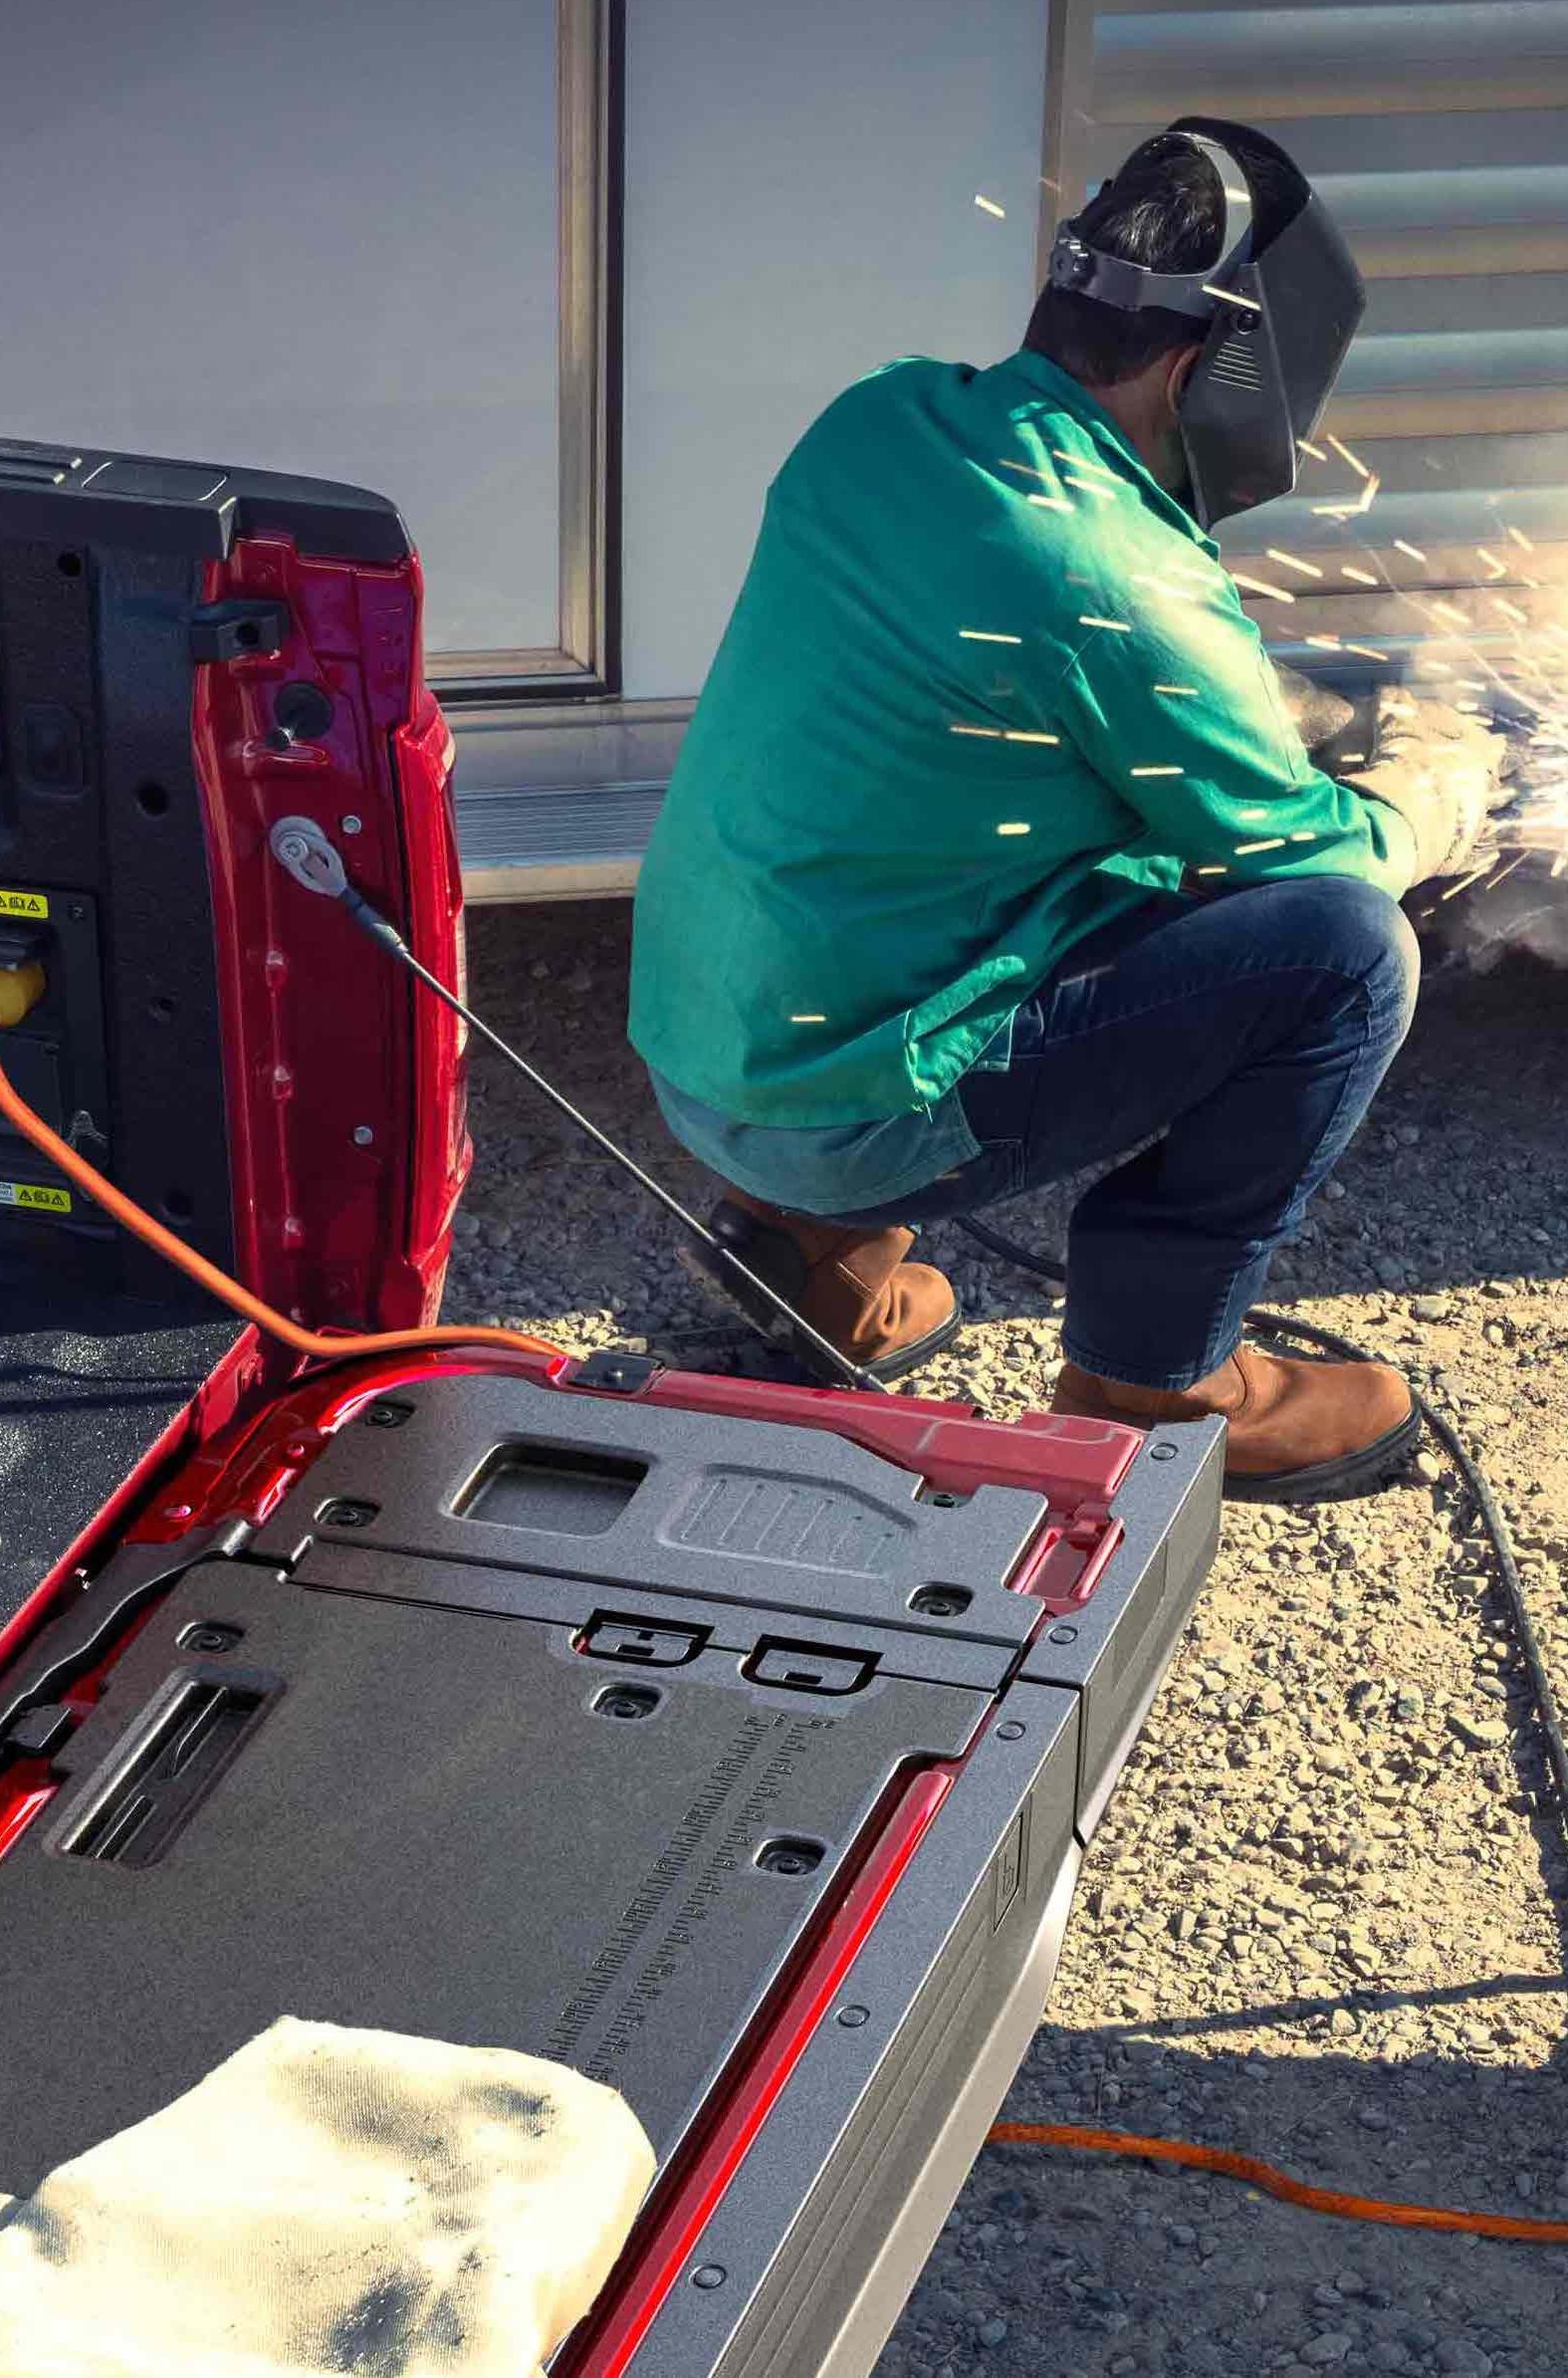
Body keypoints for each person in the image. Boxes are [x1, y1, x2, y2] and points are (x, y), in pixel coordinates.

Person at [626, 119, 1497, 1503]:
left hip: (701, 1056)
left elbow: (1005, 700)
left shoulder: (883, 417)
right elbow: (1306, 854)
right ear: (1198, 369)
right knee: (1341, 952)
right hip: (840, 1118)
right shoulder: (1113, 573)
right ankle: (1155, 1379)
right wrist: (1425, 800)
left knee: (1061, 857)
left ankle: (798, 1253)